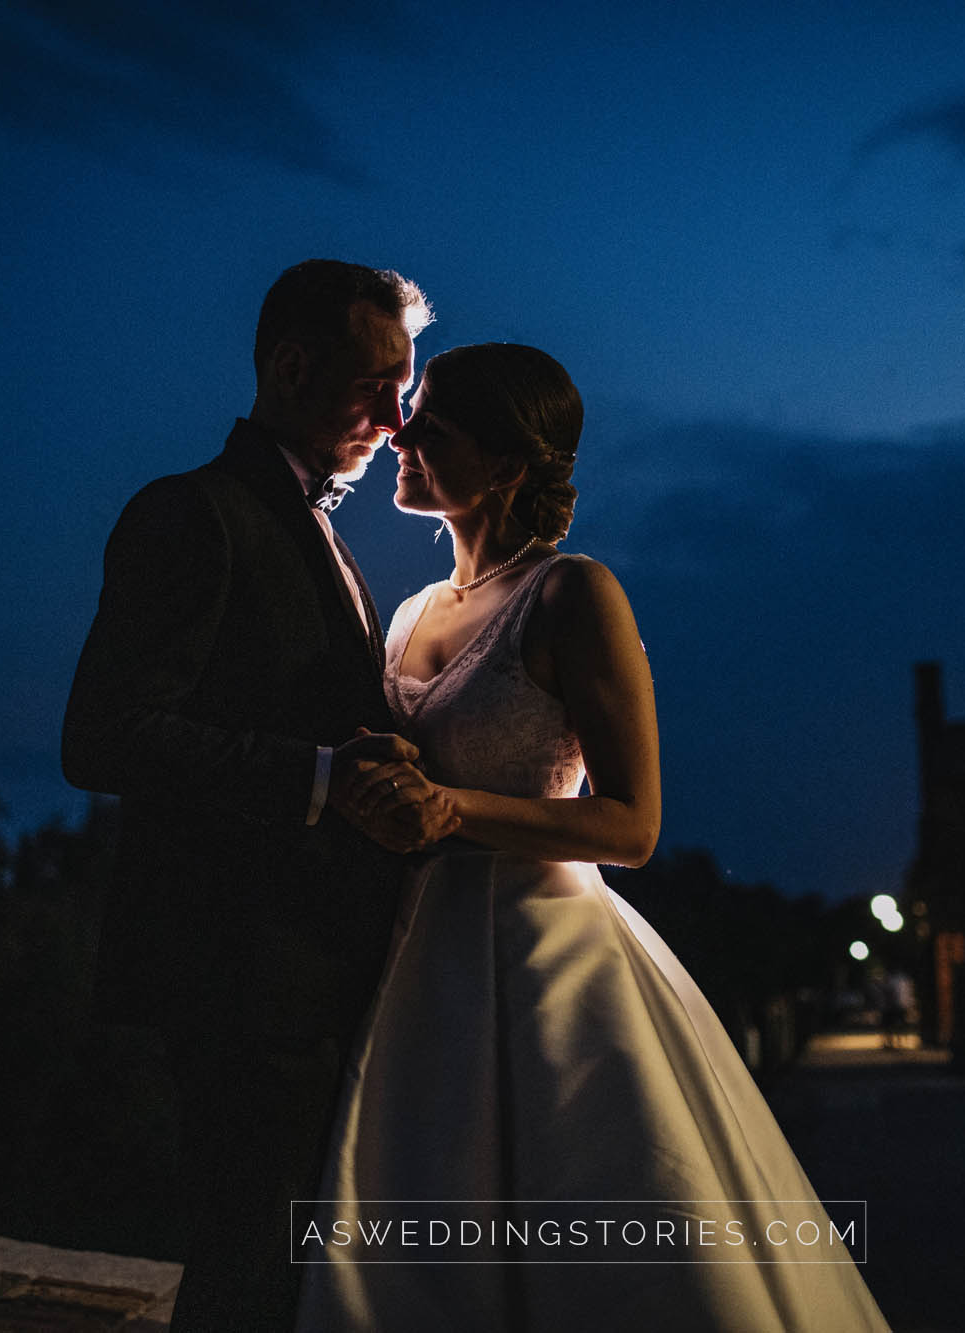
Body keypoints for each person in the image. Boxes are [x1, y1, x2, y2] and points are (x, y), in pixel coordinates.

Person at [294, 343, 891, 1330]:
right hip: (415, 964)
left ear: (508, 464)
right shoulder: (402, 616)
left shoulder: (574, 594)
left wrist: (454, 810)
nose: (402, 430)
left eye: (433, 421)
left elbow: (633, 824)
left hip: (546, 956)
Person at [61, 259, 458, 1330]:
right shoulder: (192, 513)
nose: (396, 415)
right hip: (234, 972)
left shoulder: (323, 531)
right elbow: (102, 736)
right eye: (378, 384)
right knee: (247, 1264)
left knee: (283, 1274)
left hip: (309, 974)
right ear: (290, 365)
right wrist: (324, 779)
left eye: (404, 388)